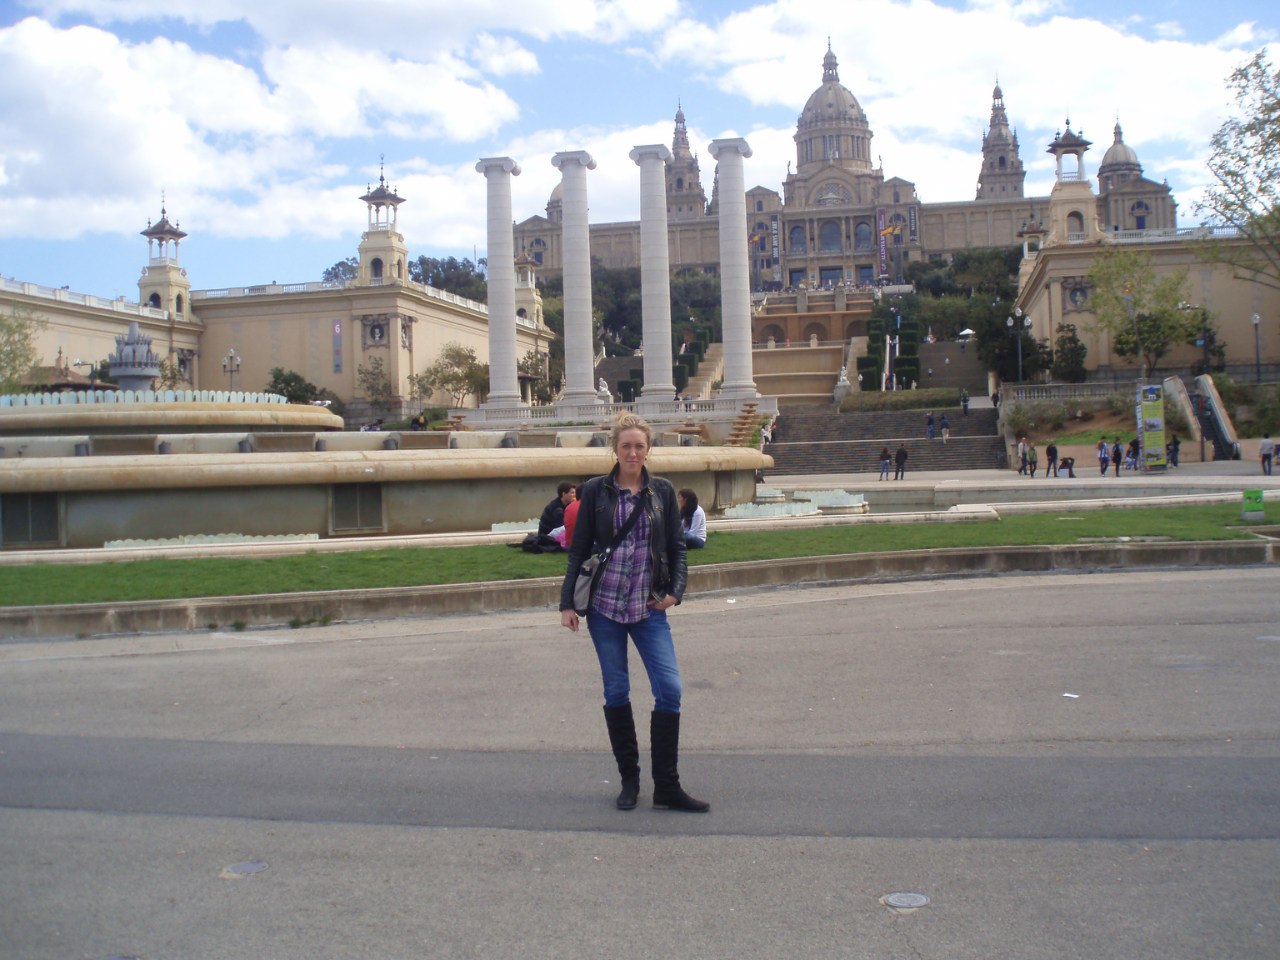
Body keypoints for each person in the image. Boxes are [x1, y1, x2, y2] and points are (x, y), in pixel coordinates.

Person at [559, 413, 707, 813]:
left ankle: (667, 786)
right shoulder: (596, 490)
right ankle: (629, 779)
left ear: (648, 449)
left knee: (670, 689)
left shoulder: (662, 491)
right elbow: (579, 549)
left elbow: (676, 546)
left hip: (648, 607)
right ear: (615, 448)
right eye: (626, 445)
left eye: (639, 445)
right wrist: (568, 602)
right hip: (604, 608)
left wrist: (675, 592)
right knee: (616, 690)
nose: (633, 452)